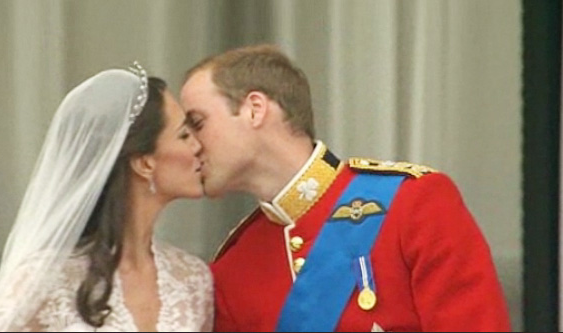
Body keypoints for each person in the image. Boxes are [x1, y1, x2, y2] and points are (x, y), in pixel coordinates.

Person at [180, 44, 511, 332]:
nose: (190, 145)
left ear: (255, 109)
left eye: (197, 123)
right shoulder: (234, 267)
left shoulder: (412, 203)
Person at [0, 63, 213, 332]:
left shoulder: (192, 279)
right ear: (144, 163)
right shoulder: (44, 279)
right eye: (184, 135)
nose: (198, 146)